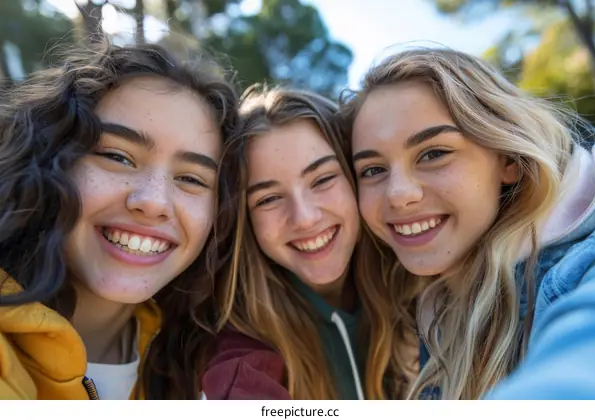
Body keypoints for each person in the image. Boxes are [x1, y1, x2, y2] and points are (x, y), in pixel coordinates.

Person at [342, 47, 595, 399]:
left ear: (508, 159)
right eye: (372, 170)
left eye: (433, 153)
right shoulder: (427, 307)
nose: (398, 195)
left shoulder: (585, 267)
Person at [0, 40, 239, 399]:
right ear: (49, 160)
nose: (154, 202)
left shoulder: (206, 365)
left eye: (191, 179)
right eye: (118, 157)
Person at [201, 85, 416, 400]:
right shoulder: (241, 350)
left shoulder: (424, 289)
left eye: (323, 179)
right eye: (269, 198)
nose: (304, 218)